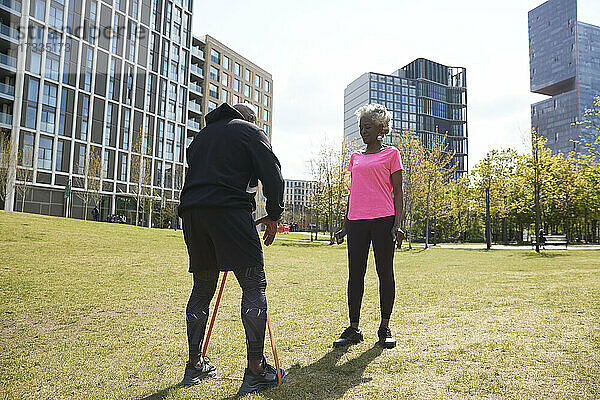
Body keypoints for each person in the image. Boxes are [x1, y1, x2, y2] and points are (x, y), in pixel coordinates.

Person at [178, 102, 285, 395]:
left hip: (193, 214)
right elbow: (273, 176)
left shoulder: (200, 137)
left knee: (201, 289)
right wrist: (274, 214)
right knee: (253, 287)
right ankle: (256, 370)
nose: (257, 122)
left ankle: (195, 365)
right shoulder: (250, 131)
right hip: (230, 212)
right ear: (248, 117)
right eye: (255, 118)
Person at [334, 103, 404, 349]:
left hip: (384, 220)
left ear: (381, 128)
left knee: (384, 273)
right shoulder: (355, 157)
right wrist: (345, 225)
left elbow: (398, 194)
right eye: (361, 127)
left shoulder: (391, 154)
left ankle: (384, 327)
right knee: (355, 275)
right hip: (357, 222)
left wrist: (398, 224)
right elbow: (354, 193)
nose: (363, 131)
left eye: (368, 127)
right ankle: (354, 328)